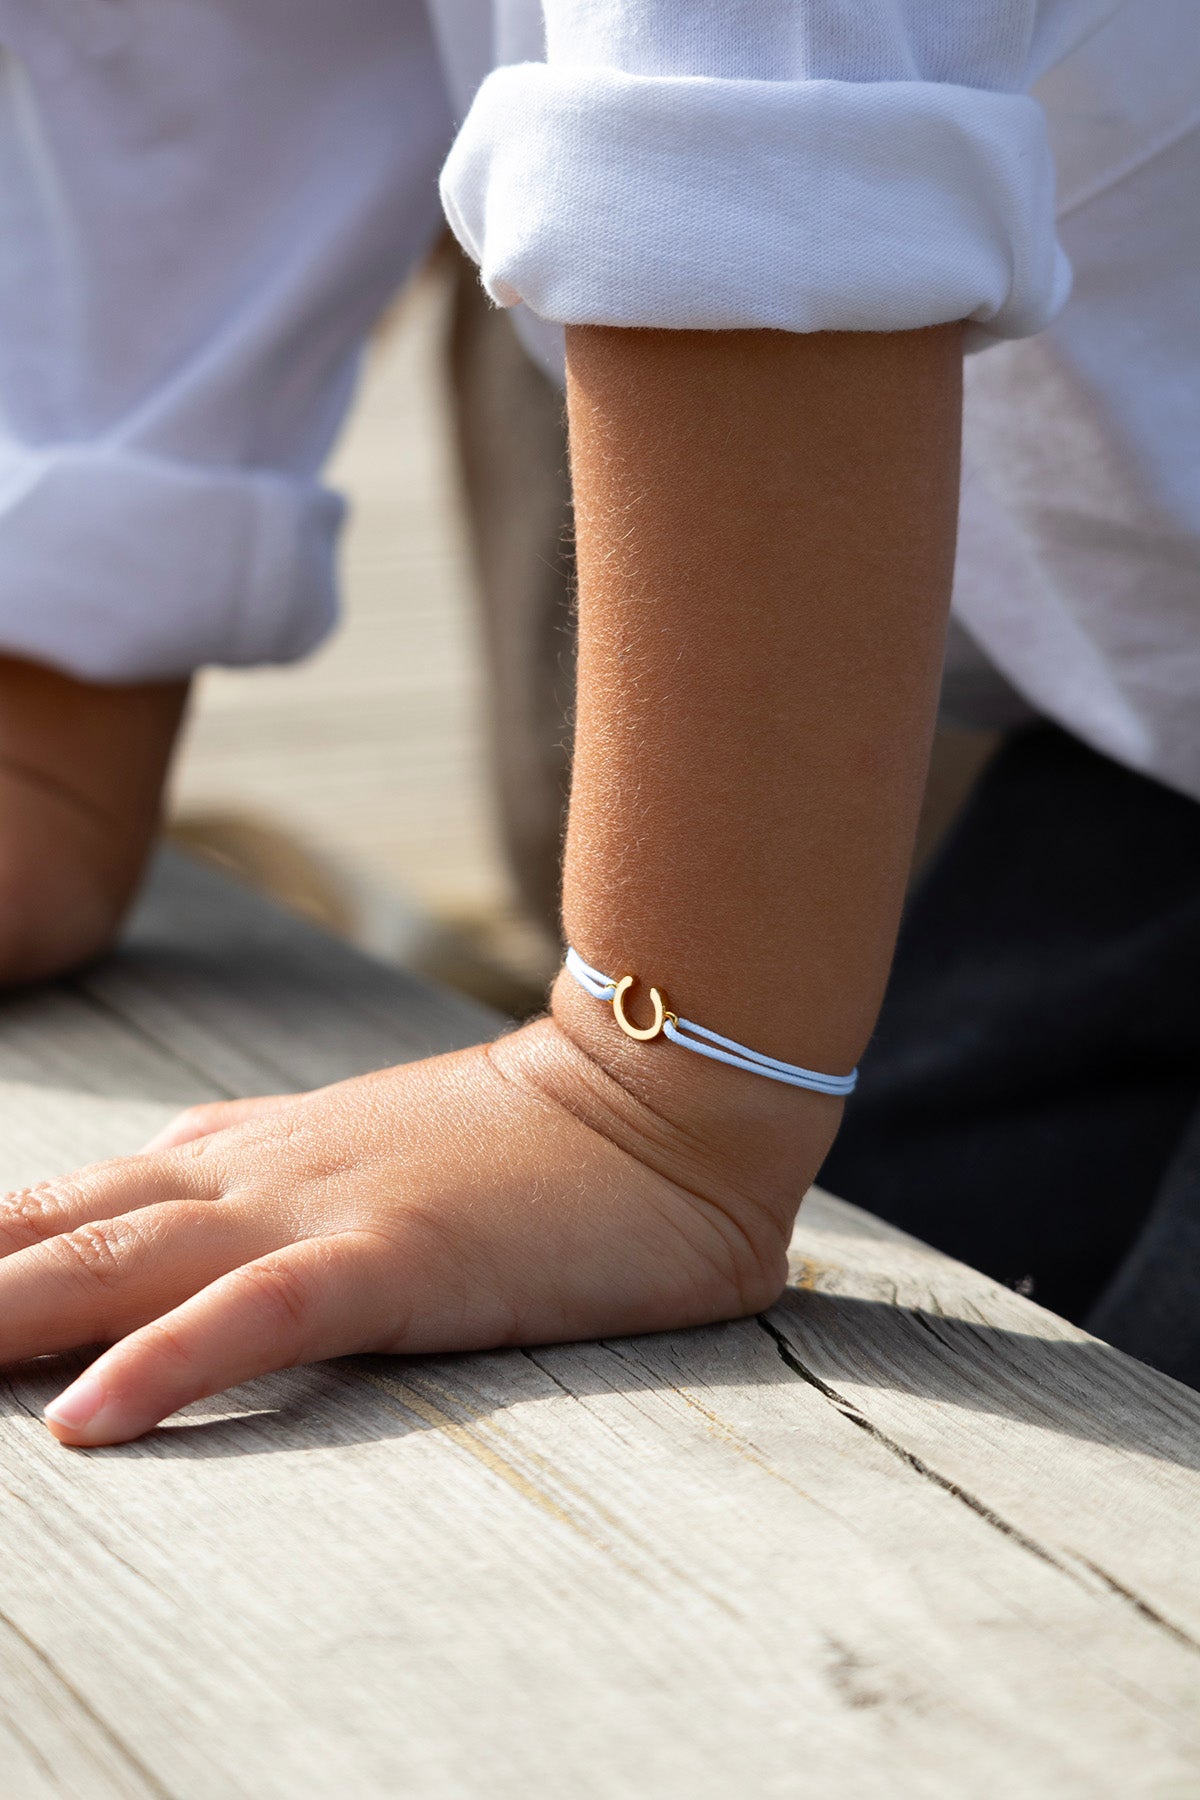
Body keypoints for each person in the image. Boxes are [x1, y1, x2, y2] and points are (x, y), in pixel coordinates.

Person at [0, 2, 1194, 1446]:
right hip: (1133, 748)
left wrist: (656, 1103)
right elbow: (203, 50)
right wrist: (53, 739)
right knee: (946, 1267)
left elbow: (771, 90)